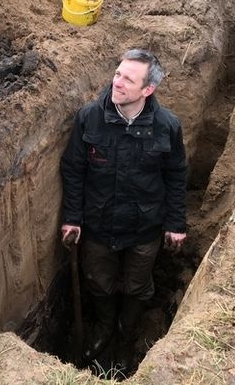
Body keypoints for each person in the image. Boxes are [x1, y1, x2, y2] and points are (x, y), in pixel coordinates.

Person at [59, 48, 187, 371]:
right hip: (99, 227)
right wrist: (72, 218)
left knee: (137, 286)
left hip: (145, 230)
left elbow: (176, 175)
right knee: (99, 282)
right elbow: (73, 169)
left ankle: (126, 336)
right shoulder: (90, 117)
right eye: (117, 74)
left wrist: (176, 223)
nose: (117, 83)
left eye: (128, 79)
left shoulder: (166, 126)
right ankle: (103, 327)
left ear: (148, 90)